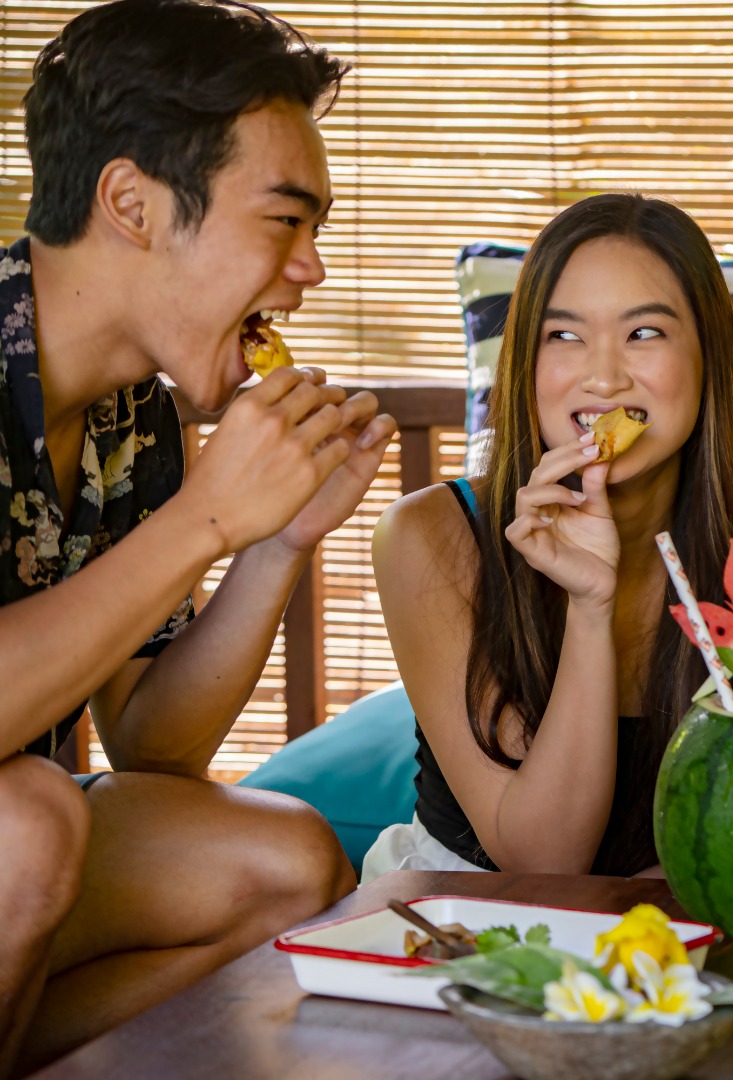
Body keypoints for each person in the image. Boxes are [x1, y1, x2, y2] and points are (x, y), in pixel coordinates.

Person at [0, 0, 396, 1073]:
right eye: (284, 220)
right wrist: (205, 519)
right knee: (26, 825)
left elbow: (153, 748)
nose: (310, 269)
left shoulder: (141, 413)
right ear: (131, 201)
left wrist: (276, 541)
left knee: (280, 859)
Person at [365, 193, 733, 881]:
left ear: (709, 357)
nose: (603, 376)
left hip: (687, 922)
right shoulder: (430, 537)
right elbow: (542, 861)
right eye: (563, 336)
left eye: (644, 333)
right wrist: (590, 605)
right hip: (467, 919)